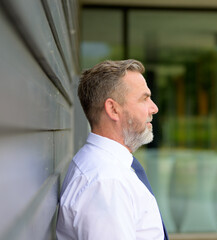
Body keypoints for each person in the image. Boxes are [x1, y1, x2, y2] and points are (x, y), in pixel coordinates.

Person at [56, 59, 168, 240]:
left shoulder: (106, 168)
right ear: (113, 109)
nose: (154, 108)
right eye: (144, 98)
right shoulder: (107, 182)